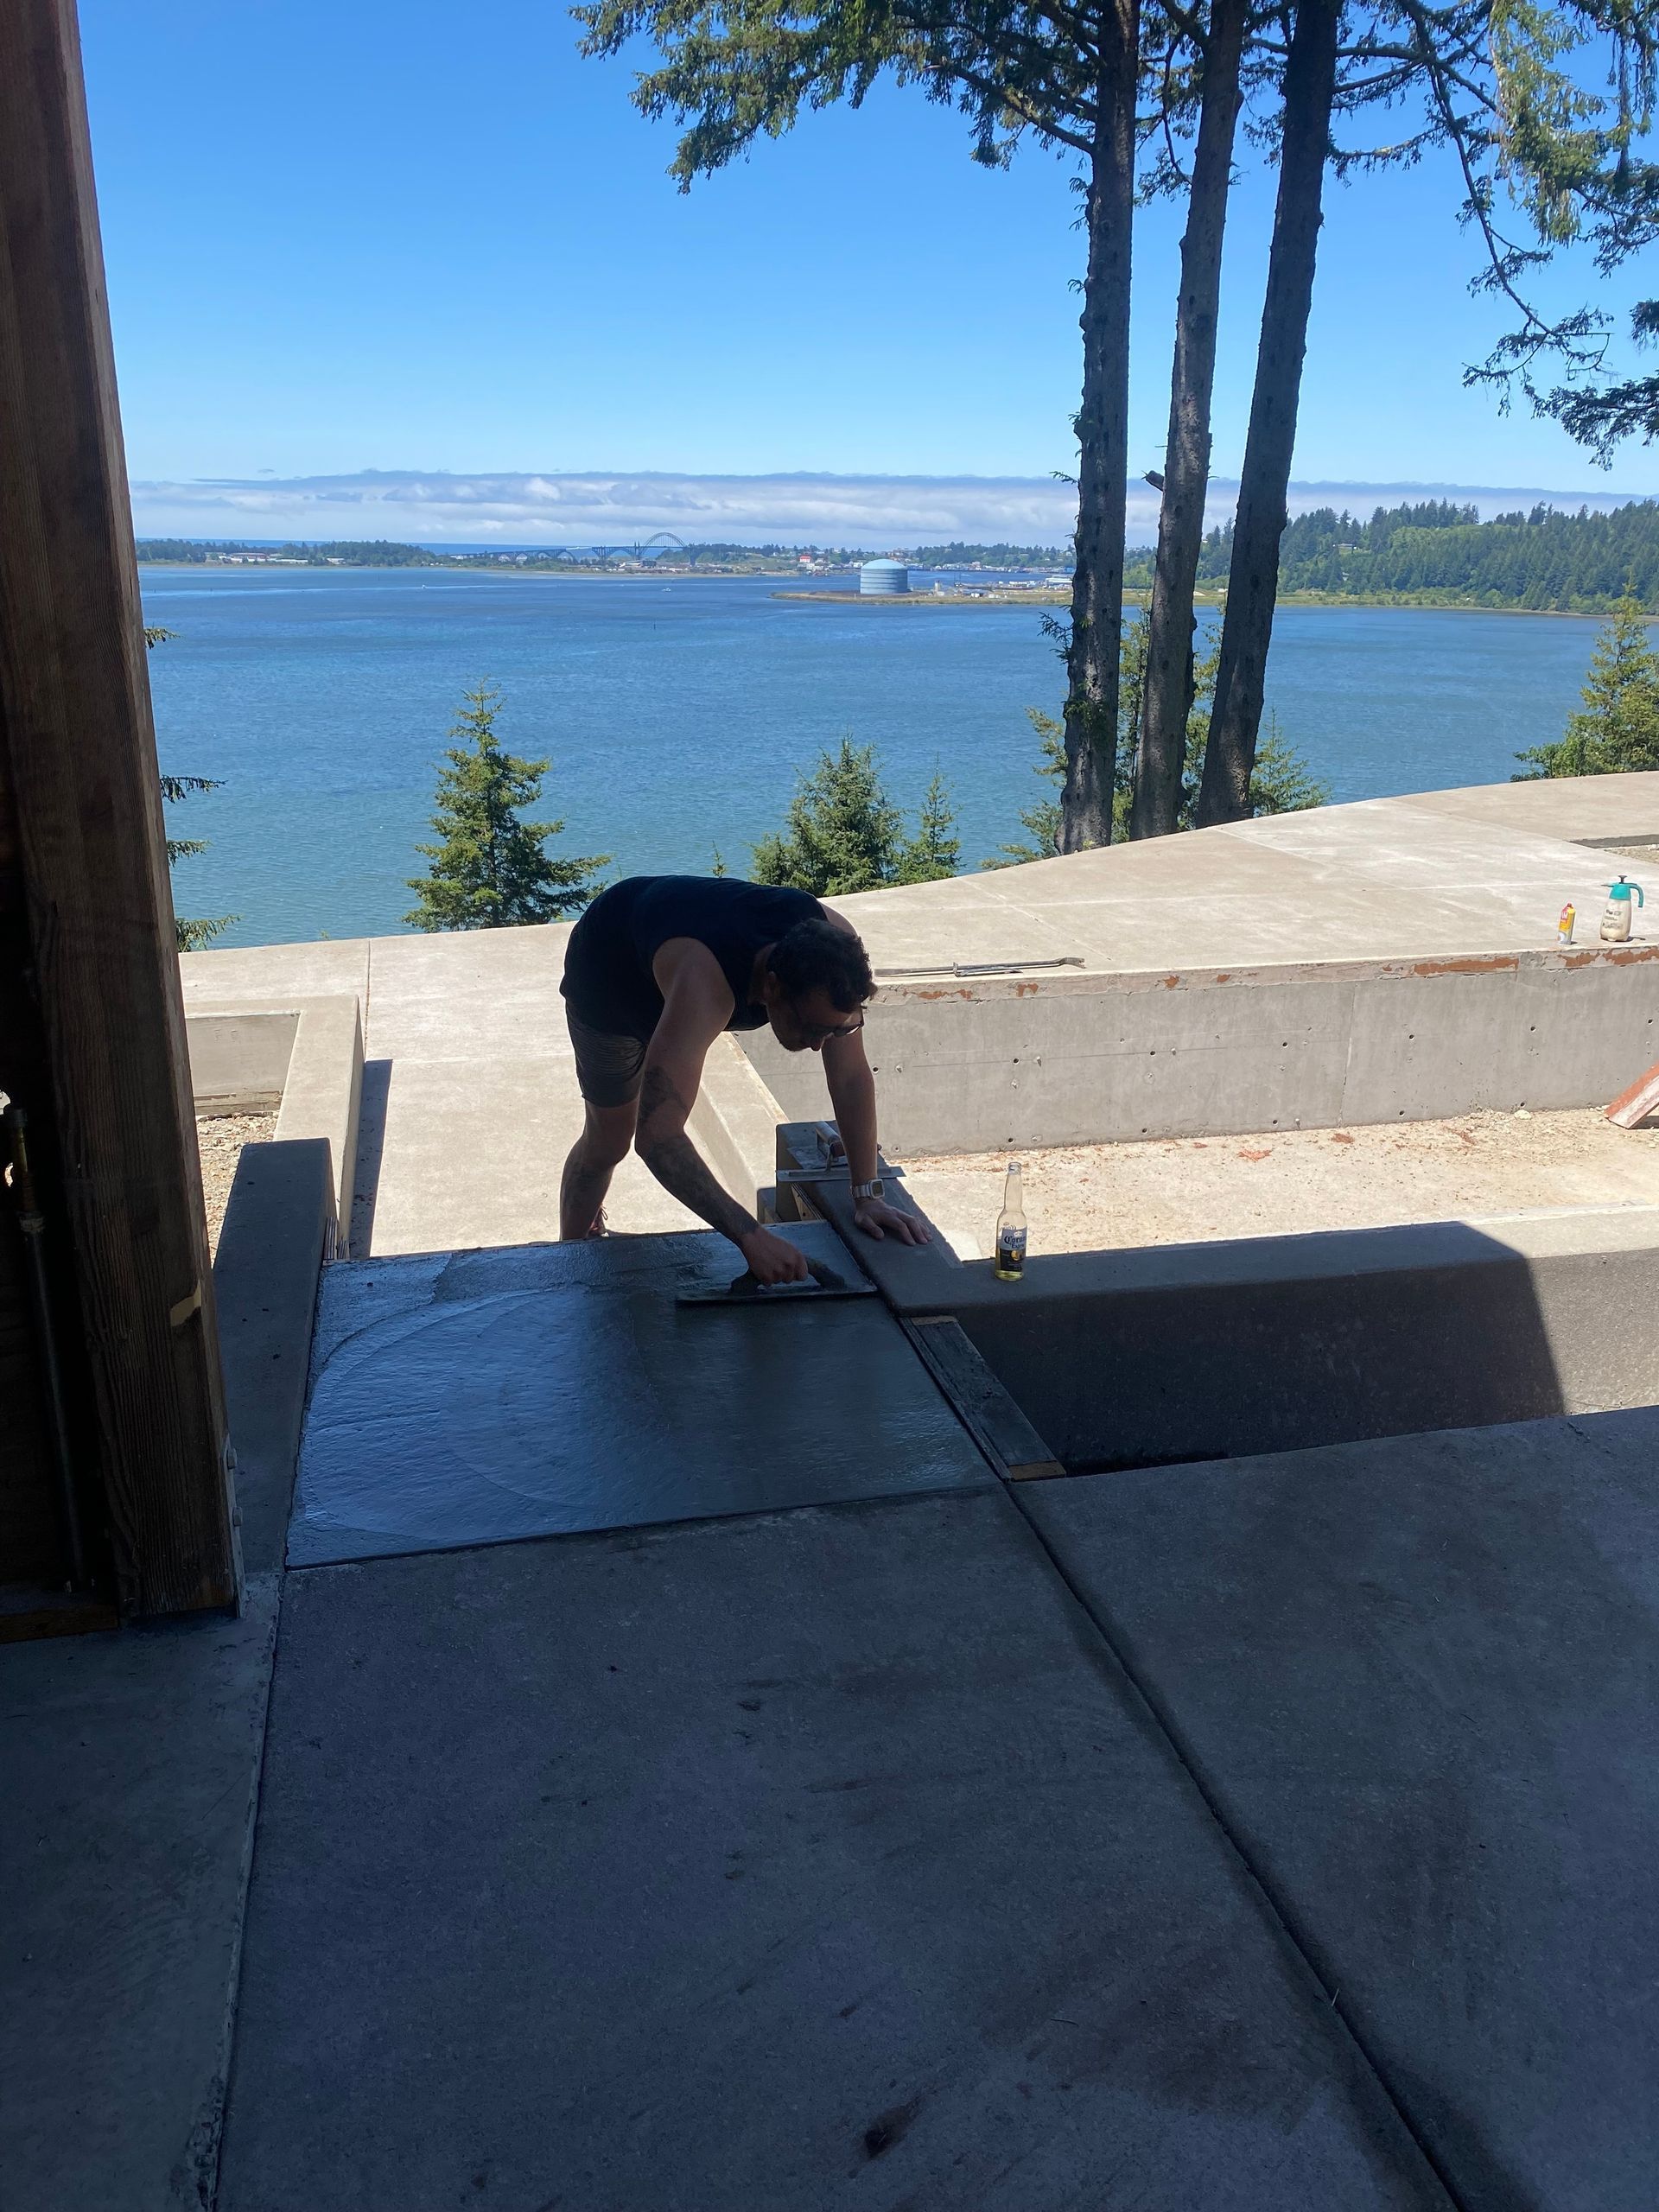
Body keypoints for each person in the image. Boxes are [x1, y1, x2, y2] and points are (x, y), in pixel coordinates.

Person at [558, 874, 927, 1281]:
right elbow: (658, 1138)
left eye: (833, 1030)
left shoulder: (835, 951)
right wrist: (750, 1235)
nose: (819, 1044)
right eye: (810, 1028)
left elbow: (851, 1078)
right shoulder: (707, 984)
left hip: (672, 951)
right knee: (609, 1140)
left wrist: (867, 1194)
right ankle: (568, 1265)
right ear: (772, 986)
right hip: (610, 975)